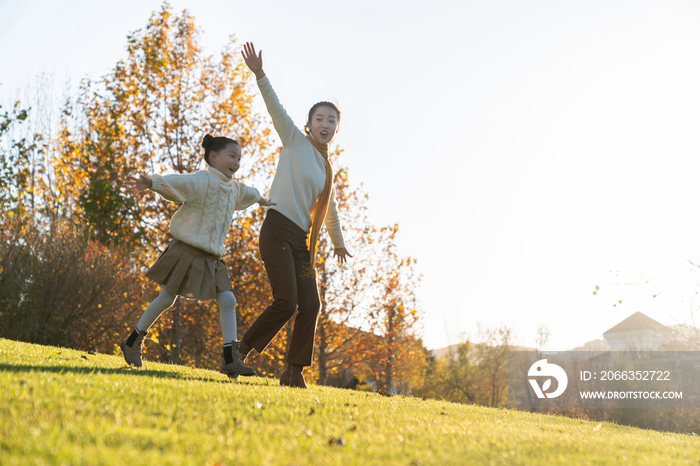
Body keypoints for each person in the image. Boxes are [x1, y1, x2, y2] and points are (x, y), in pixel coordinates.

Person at [238, 42, 352, 388]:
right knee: (286, 301)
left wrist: (339, 242)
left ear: (336, 129)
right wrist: (260, 74)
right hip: (276, 229)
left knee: (311, 305)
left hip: (301, 239)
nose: (326, 124)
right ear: (308, 124)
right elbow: (275, 108)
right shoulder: (294, 141)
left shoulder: (326, 169)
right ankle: (238, 352)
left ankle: (293, 372)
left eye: (331, 120)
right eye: (320, 118)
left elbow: (327, 207)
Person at [120, 134, 275, 378]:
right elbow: (177, 183)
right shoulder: (201, 181)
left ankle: (229, 359)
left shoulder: (234, 189)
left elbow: (250, 192)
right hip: (187, 250)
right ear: (213, 157)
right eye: (232, 156)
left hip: (213, 257)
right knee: (166, 299)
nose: (237, 162)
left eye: (239, 158)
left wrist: (262, 200)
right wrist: (151, 182)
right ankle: (132, 341)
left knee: (228, 301)